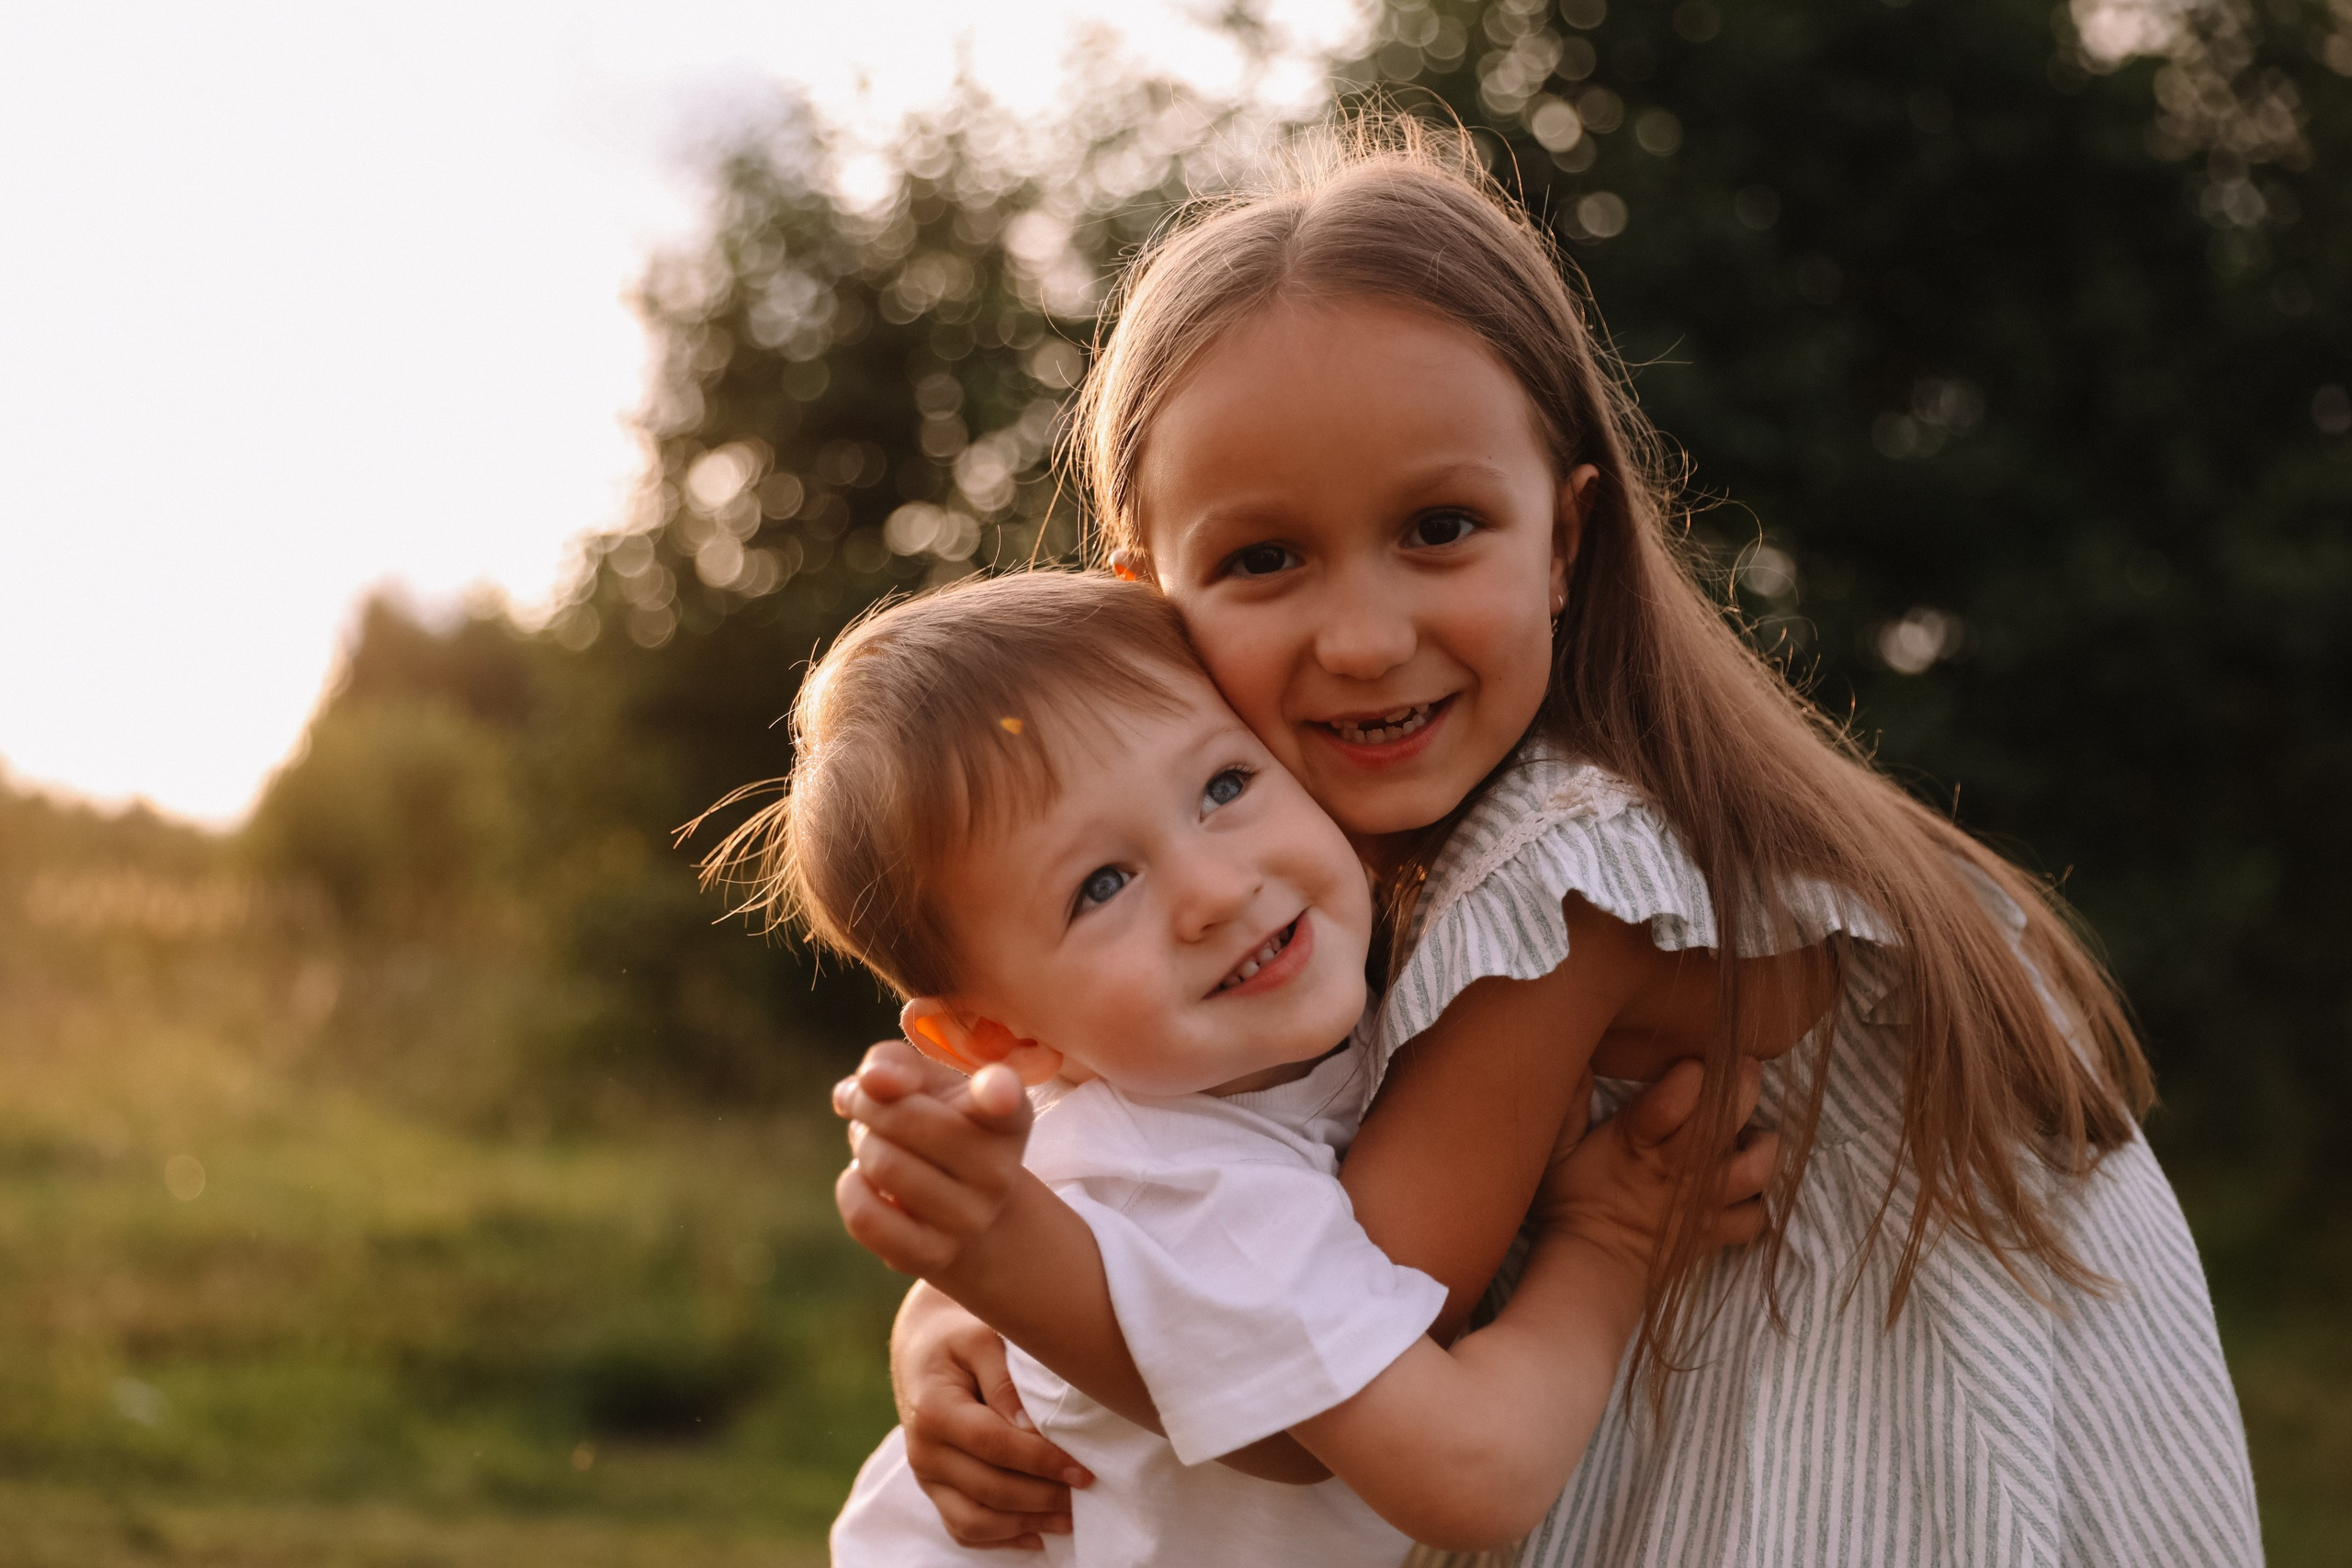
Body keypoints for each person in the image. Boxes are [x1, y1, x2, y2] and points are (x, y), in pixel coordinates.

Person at [883, 118, 2263, 1566]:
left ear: (1562, 538)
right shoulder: (1317, 881)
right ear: (1149, 606)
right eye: (1264, 557)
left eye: (1440, 525)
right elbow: (1193, 1180)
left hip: (1871, 1458)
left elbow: (1306, 1384)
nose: (1363, 636)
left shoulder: (1566, 879)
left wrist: (1009, 1269)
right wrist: (953, 1309)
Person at [702, 570, 1775, 1564]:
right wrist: (1615, 1239)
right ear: (999, 1042)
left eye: (1222, 785)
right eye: (1101, 884)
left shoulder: (1257, 1070)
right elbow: (1476, 1474)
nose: (1214, 887)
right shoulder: (1194, 1187)